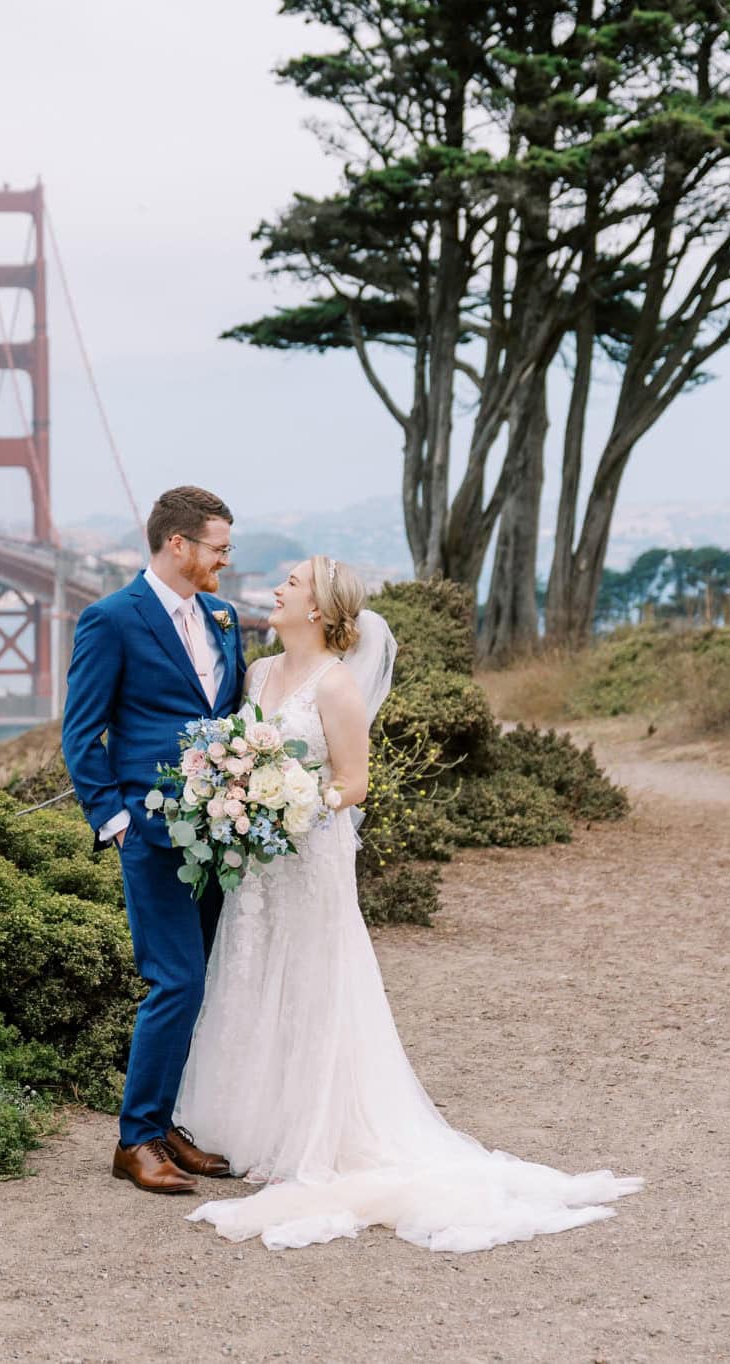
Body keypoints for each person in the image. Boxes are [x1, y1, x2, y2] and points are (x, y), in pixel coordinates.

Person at [174, 555, 643, 1251]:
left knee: (311, 978)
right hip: (259, 863)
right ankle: (245, 1123)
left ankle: (315, 1129)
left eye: (292, 583)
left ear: (319, 609)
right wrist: (236, 795)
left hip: (308, 854)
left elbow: (353, 783)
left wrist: (294, 801)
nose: (276, 590)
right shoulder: (259, 673)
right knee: (251, 971)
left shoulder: (336, 688)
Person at [61, 485, 247, 1193]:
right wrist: (115, 822)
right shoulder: (110, 619)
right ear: (179, 544)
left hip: (220, 834)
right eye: (218, 548)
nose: (225, 562)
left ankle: (166, 1126)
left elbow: (228, 715)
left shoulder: (226, 617)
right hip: (150, 832)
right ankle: (134, 1140)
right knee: (175, 979)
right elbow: (82, 732)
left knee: (199, 983)